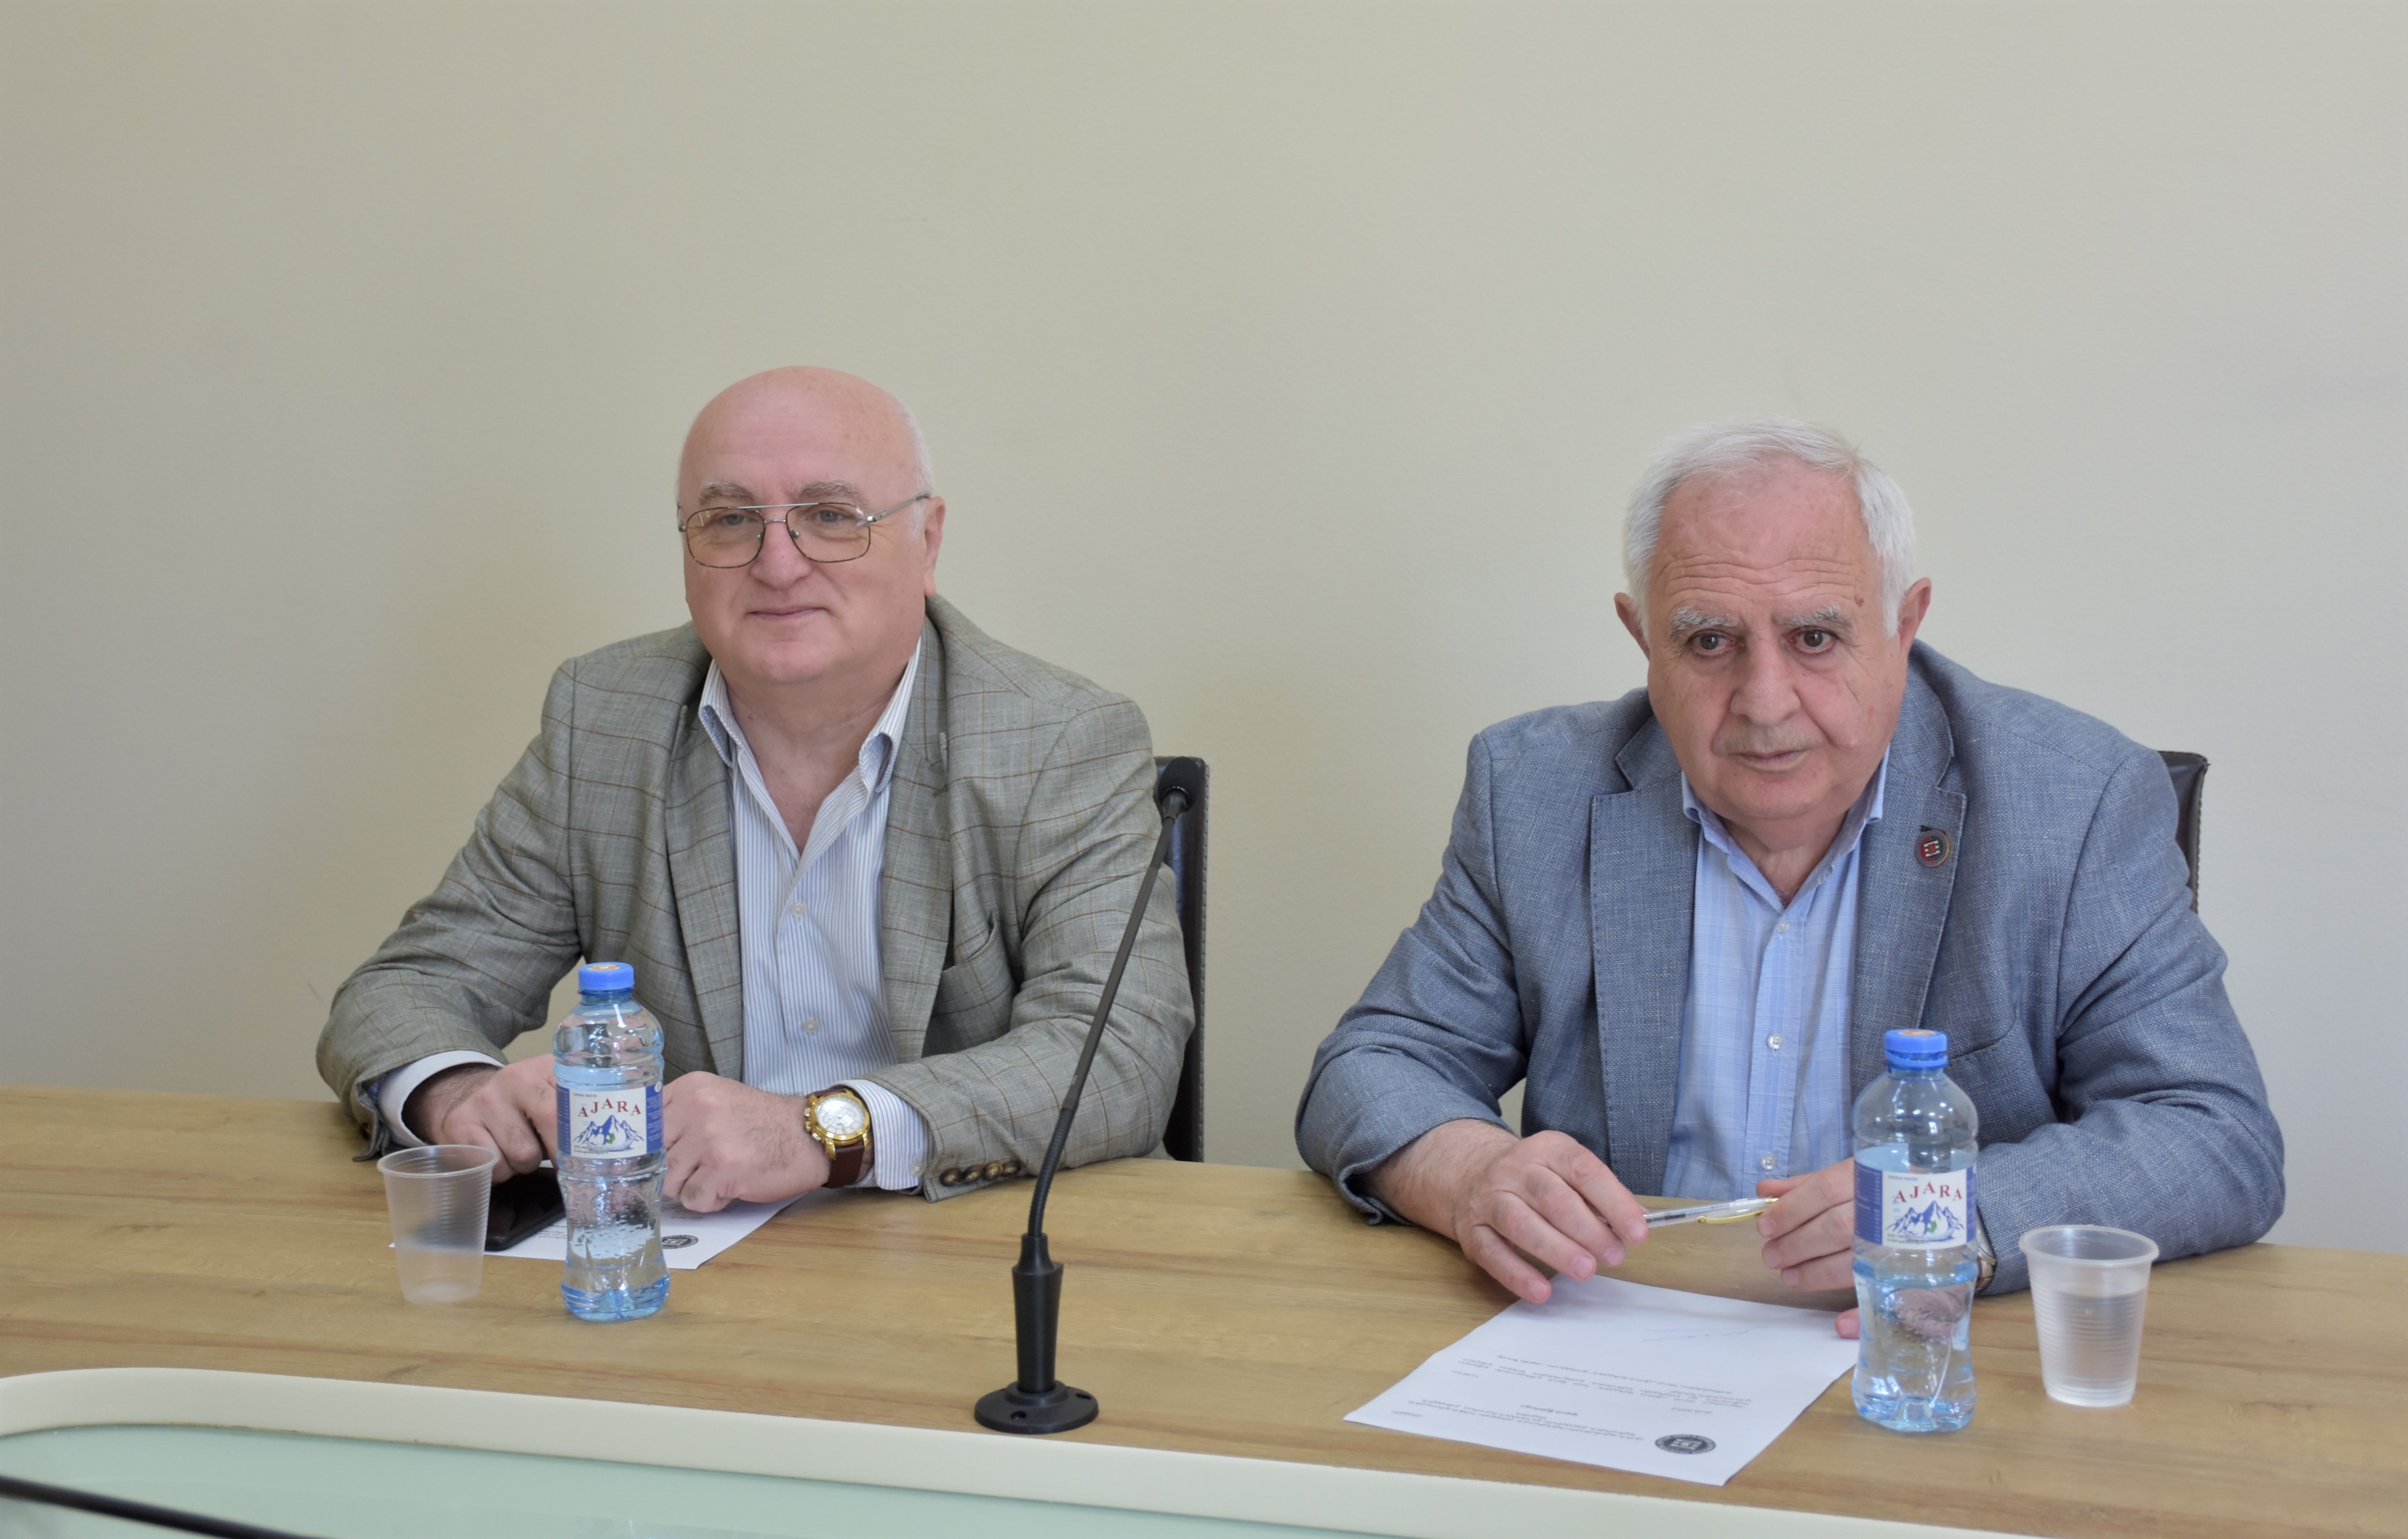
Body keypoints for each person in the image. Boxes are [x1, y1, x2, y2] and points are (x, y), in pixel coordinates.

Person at [1294, 418, 2282, 1332]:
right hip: (1623, 1338)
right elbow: (1374, 1064)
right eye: (1708, 641)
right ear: (1642, 637)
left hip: (1919, 1356)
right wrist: (1471, 1172)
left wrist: (1943, 1216)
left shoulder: (2073, 801)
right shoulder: (1533, 791)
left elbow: (2213, 1134)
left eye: (1814, 637)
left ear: (1903, 623)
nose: (1763, 703)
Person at [319, 367, 1192, 1210]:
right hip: (691, 1255)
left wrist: (820, 1132)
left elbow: (1120, 1051)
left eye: (830, 516)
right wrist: (455, 1092)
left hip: (971, 1245)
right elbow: (411, 985)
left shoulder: (1057, 739)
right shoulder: (604, 721)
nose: (777, 564)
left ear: (927, 541)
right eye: (730, 519)